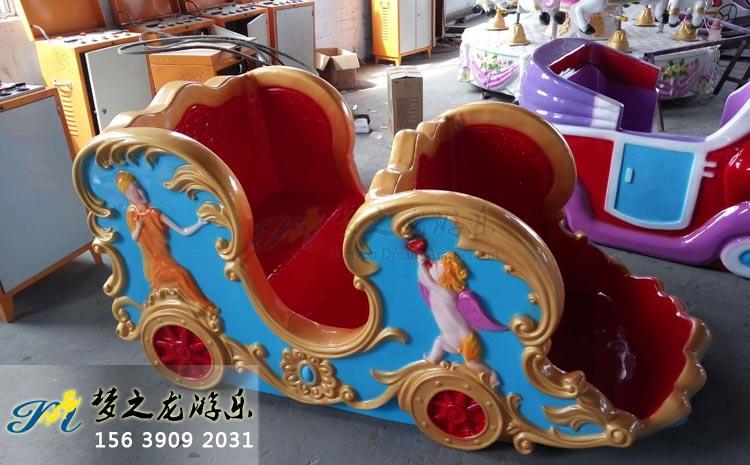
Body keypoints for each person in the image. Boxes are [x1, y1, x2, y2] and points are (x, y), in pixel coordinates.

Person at [407, 238, 507, 387]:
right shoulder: (436, 291)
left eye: (438, 264)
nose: (434, 263)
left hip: (462, 338)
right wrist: (421, 261)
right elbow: (424, 279)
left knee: (472, 363)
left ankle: (492, 375)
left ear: (447, 275)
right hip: (452, 335)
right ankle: (432, 361)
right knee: (440, 342)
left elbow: (429, 282)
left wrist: (421, 263)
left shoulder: (448, 293)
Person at [116, 171, 214, 310]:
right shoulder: (132, 215)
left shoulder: (155, 214)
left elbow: (182, 231)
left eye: (140, 187)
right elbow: (134, 237)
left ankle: (202, 307)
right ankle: (203, 307)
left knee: (182, 275)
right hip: (153, 266)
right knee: (181, 275)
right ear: (128, 196)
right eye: (135, 191)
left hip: (166, 260)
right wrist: (138, 227)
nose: (141, 192)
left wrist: (199, 223)